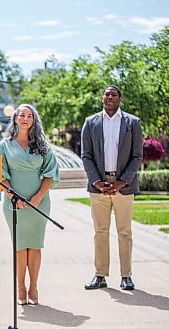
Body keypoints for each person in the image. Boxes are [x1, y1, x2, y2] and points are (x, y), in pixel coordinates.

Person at [0, 104, 59, 305]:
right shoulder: (4, 146)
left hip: (39, 203)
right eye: (21, 115)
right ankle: (20, 288)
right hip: (13, 203)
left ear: (34, 120)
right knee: (19, 246)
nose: (25, 118)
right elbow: (0, 174)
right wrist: (13, 196)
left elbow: (50, 173)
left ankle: (34, 287)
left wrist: (38, 197)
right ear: (15, 119)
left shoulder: (43, 145)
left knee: (35, 245)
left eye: (29, 116)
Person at [81, 85, 143, 291]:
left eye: (113, 94)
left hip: (123, 187)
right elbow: (86, 155)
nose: (109, 97)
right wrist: (97, 181)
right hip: (98, 187)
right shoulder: (90, 123)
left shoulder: (132, 123)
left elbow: (137, 156)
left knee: (124, 232)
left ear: (119, 99)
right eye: (107, 94)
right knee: (100, 231)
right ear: (102, 98)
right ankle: (100, 275)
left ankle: (126, 276)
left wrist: (122, 181)